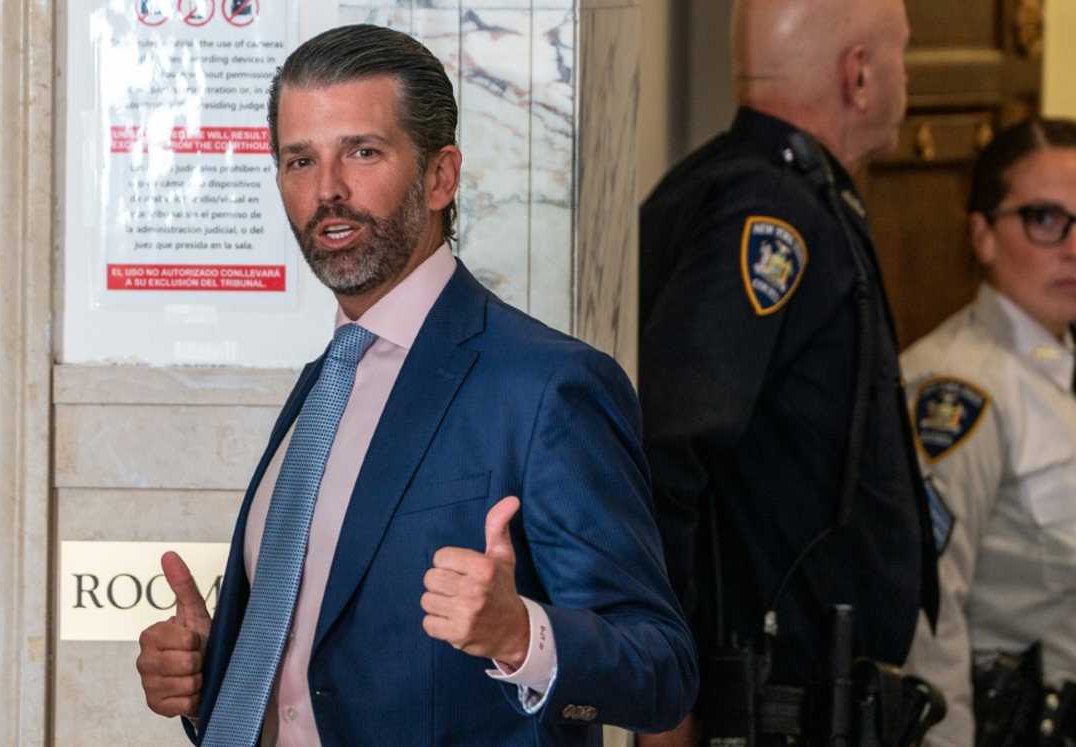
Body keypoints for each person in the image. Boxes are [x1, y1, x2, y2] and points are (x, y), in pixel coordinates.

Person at [134, 24, 697, 747]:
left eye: (362, 152)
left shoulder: (549, 386)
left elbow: (662, 669)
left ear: (441, 177)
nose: (327, 189)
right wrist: (207, 681)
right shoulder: (324, 384)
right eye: (299, 159)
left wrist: (523, 634)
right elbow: (322, 674)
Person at [637, 0, 940, 744]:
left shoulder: (771, 189)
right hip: (768, 706)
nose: (906, 75)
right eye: (901, 53)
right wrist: (662, 693)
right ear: (860, 74)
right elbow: (665, 450)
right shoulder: (765, 215)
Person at [902, 119, 1076, 746]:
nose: (1073, 247)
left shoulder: (1060, 369)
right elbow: (929, 614)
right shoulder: (955, 389)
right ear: (982, 234)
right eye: (1045, 220)